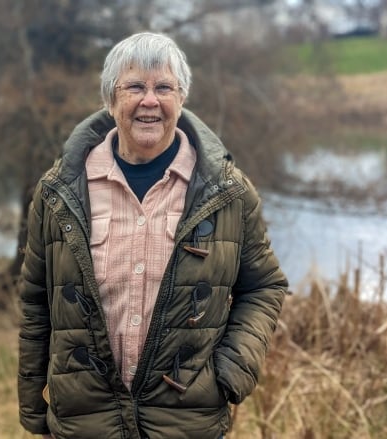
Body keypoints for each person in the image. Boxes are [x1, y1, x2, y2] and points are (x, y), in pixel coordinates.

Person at [18, 32, 287, 439]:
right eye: (135, 87)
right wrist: (32, 405)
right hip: (85, 422)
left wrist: (232, 372)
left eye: (164, 87)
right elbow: (36, 302)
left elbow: (265, 287)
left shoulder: (228, 193)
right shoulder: (60, 193)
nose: (150, 101)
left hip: (186, 423)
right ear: (111, 100)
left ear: (182, 98)